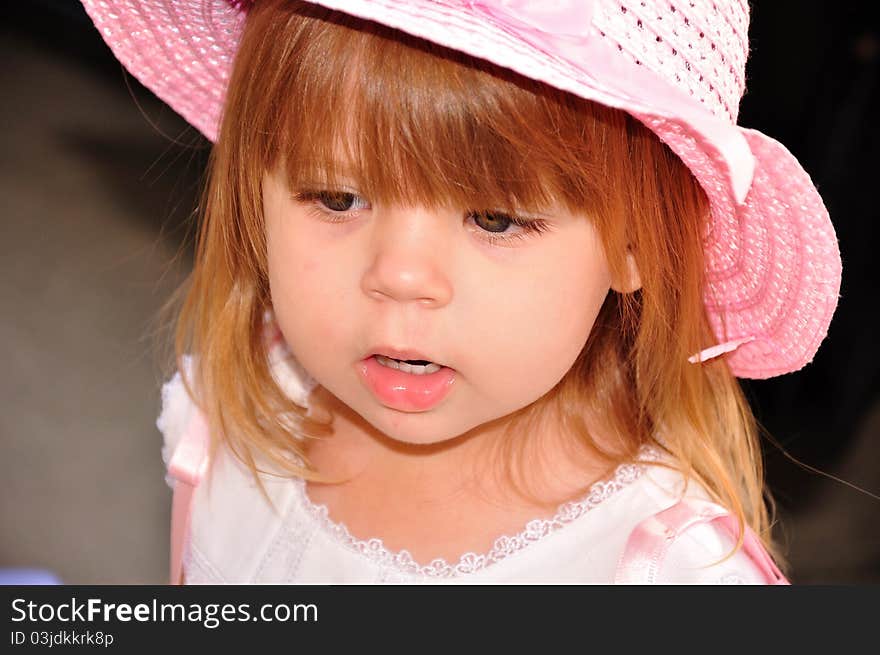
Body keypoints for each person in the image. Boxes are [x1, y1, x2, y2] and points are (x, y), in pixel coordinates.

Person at [79, 0, 841, 584]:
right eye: (337, 198)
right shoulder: (233, 410)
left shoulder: (659, 576)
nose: (401, 276)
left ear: (639, 241)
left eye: (495, 218)